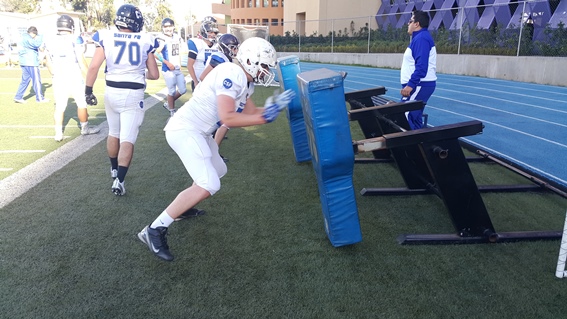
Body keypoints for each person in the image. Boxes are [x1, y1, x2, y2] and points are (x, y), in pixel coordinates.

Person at [137, 37, 295, 261]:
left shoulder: (245, 81)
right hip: (186, 129)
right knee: (209, 183)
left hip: (199, 132)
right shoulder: (232, 72)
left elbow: (249, 112)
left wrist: (270, 108)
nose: (266, 71)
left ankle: (182, 208)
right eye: (264, 66)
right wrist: (263, 118)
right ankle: (154, 230)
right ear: (251, 61)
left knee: (217, 170)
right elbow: (227, 117)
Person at [85, 4, 160, 196]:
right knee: (128, 138)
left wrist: (88, 90)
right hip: (133, 93)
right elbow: (154, 74)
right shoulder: (145, 39)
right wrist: (137, 71)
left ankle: (114, 169)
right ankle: (120, 180)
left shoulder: (106, 36)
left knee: (114, 132)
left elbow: (93, 67)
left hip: (111, 91)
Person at [44, 15, 100, 142]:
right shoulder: (76, 39)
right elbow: (81, 61)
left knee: (59, 106)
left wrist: (54, 74)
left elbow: (47, 62)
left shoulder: (50, 40)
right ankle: (84, 128)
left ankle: (58, 134)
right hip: (74, 76)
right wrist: (89, 79)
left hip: (58, 76)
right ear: (71, 26)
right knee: (81, 103)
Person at [199, 33, 240, 160]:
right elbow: (203, 77)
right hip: (206, 98)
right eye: (233, 47)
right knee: (212, 127)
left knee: (215, 126)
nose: (235, 50)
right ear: (225, 47)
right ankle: (210, 156)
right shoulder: (219, 57)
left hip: (212, 97)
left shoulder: (225, 59)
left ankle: (211, 154)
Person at [400, 10, 437, 130]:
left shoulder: (421, 39)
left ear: (417, 24)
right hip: (419, 85)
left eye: (410, 21)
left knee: (404, 115)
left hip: (419, 84)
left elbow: (421, 66)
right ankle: (419, 146)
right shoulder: (420, 38)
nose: (408, 24)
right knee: (414, 119)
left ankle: (409, 147)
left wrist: (411, 85)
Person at [155, 18, 186, 117]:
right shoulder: (162, 38)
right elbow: (155, 53)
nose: (168, 29)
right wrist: (166, 62)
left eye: (169, 26)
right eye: (165, 27)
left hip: (177, 68)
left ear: (173, 26)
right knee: (171, 91)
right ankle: (172, 111)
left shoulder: (177, 37)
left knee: (183, 89)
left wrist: (180, 63)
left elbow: (179, 51)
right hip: (168, 69)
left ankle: (168, 103)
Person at [14, 26, 49, 104]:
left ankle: (18, 96)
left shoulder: (23, 37)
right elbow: (36, 44)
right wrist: (41, 36)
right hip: (31, 62)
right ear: (32, 33)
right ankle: (40, 98)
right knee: (36, 80)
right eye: (35, 35)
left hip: (24, 62)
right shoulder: (28, 38)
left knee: (25, 81)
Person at [186, 16, 219, 91]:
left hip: (214, 83)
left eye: (215, 32)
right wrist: (195, 81)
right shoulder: (196, 44)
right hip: (199, 81)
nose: (213, 34)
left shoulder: (218, 45)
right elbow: (189, 65)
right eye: (210, 32)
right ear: (204, 31)